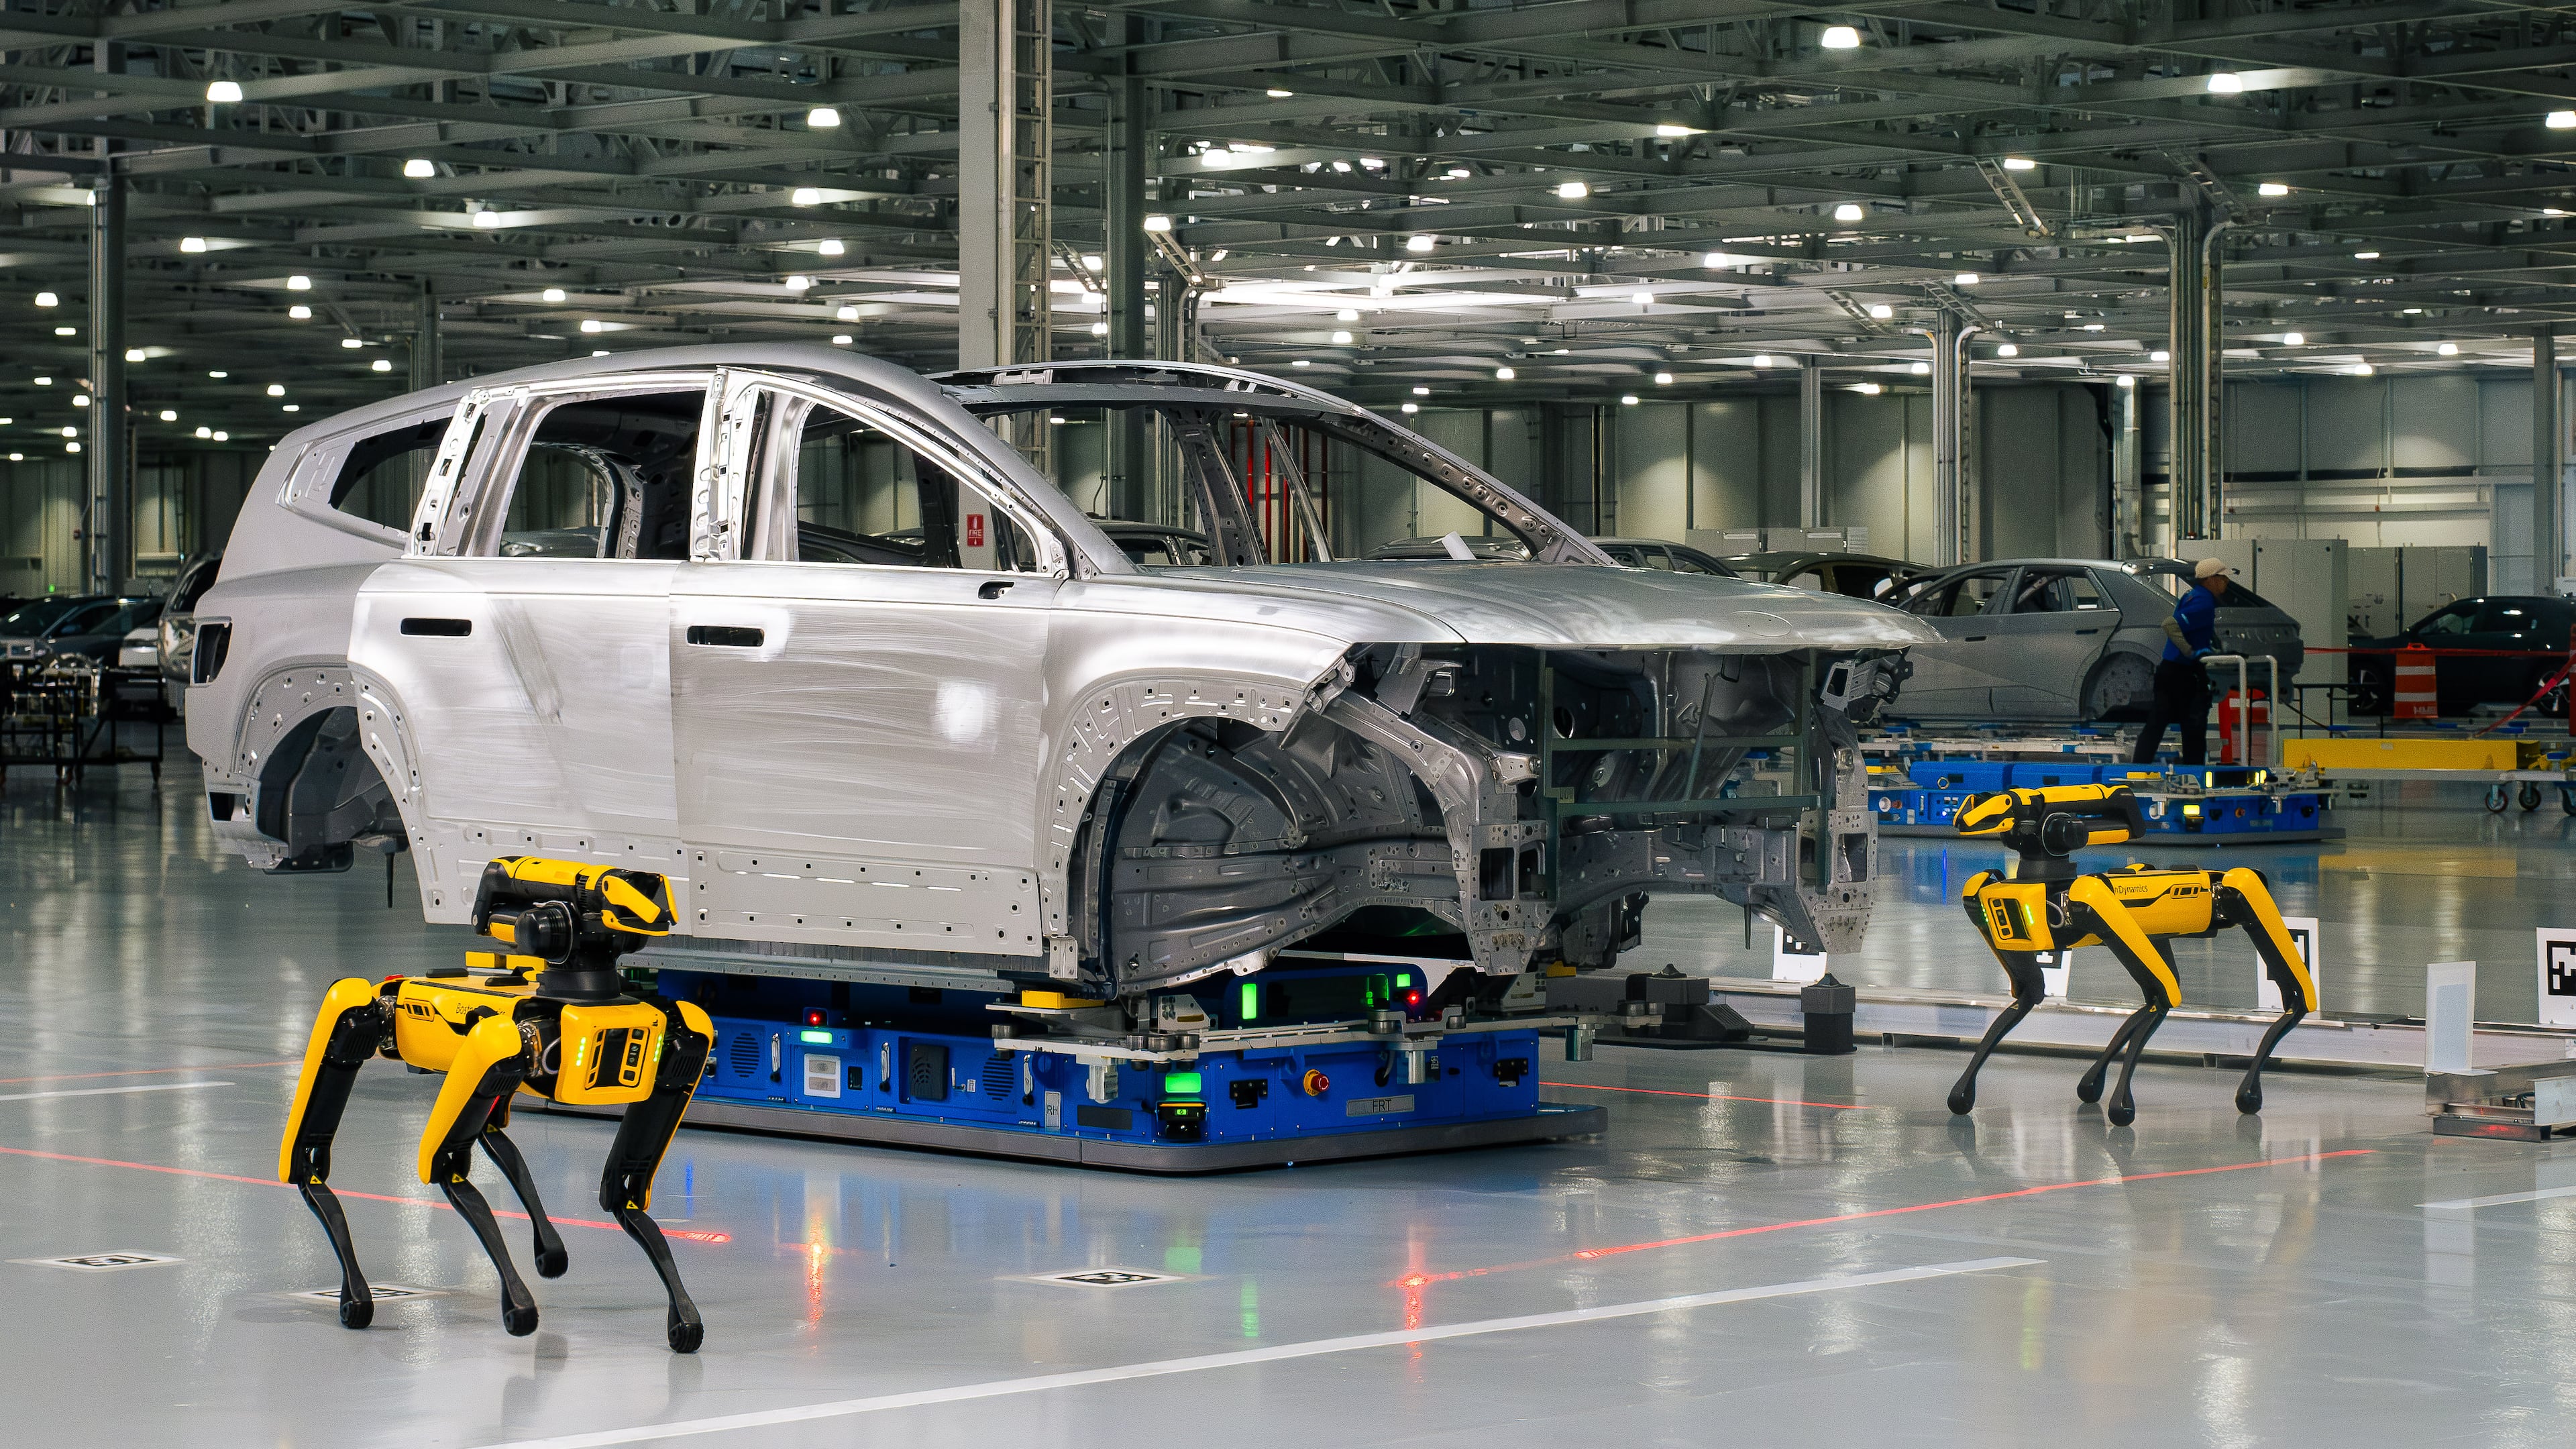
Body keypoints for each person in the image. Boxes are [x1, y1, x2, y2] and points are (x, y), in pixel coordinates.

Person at [2133, 557, 2231, 764]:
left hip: (2168, 671)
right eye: (2222, 577)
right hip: (2183, 675)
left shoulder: (2191, 595)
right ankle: (2194, 778)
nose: (2226, 582)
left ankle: (2137, 770)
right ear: (2211, 579)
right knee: (2194, 728)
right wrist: (2191, 652)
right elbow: (2170, 624)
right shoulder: (2204, 601)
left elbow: (2191, 628)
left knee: (2156, 724)